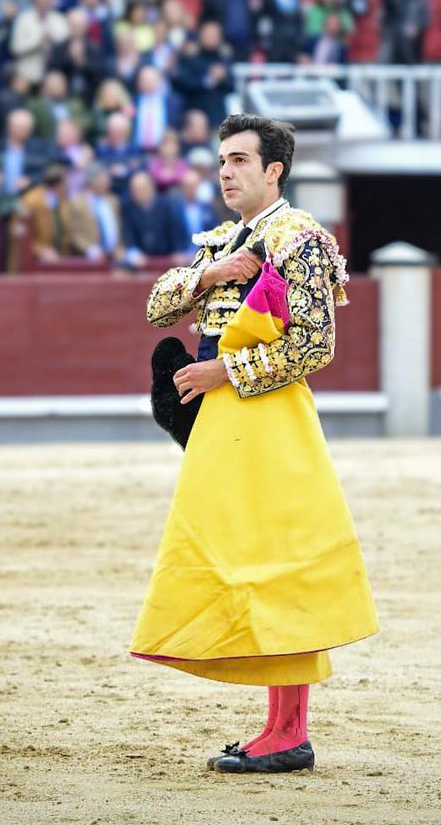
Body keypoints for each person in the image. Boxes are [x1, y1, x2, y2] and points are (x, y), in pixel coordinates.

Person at [132, 114, 378, 775]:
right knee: (242, 558)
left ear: (275, 171)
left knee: (276, 563)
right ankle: (277, 726)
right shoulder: (220, 241)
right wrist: (213, 275)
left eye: (240, 160)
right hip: (226, 425)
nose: (226, 172)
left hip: (269, 417)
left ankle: (289, 731)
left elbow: (315, 345)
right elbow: (159, 306)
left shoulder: (299, 238)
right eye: (221, 161)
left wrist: (226, 371)